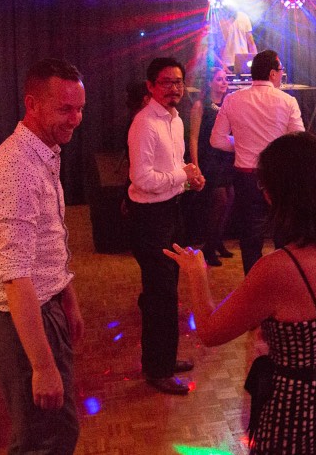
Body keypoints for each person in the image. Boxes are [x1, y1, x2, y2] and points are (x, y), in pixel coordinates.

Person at [165, 132, 316, 454]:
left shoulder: (278, 268)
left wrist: (196, 273)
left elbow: (209, 331)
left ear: (281, 196)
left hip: (299, 419)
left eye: (265, 186)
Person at [0, 59, 85, 455]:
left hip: (41, 306)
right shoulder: (16, 170)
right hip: (19, 316)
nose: (75, 119)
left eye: (80, 109)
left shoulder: (42, 153)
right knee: (43, 440)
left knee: (54, 432)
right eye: (65, 109)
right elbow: (16, 276)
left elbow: (47, 244)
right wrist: (42, 366)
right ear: (32, 104)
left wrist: (67, 298)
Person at [126, 57, 205, 395]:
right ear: (150, 86)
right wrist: (180, 175)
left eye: (178, 82)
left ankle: (164, 359)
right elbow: (141, 179)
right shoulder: (144, 123)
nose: (174, 88)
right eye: (166, 82)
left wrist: (190, 179)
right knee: (160, 296)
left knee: (168, 291)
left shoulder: (174, 120)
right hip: (149, 218)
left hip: (172, 211)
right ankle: (157, 370)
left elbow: (173, 167)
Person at [210, 49, 304, 274]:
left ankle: (254, 287)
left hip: (246, 177)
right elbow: (298, 141)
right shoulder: (288, 101)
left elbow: (216, 140)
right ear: (272, 73)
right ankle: (284, 284)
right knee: (284, 237)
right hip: (279, 176)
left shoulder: (233, 99)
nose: (282, 75)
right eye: (281, 70)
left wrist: (242, 142)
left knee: (250, 238)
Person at [189, 67, 236, 266]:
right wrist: (195, 164)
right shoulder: (200, 105)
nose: (224, 82)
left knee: (229, 200)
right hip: (209, 159)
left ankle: (217, 242)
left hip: (225, 158)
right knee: (219, 200)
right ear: (209, 83)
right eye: (219, 79)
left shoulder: (228, 104)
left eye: (225, 79)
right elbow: (193, 137)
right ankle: (208, 248)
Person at [207, 0, 257, 72]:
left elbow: (251, 44)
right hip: (225, 65)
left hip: (243, 64)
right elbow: (210, 48)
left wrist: (255, 64)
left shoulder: (243, 17)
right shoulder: (216, 19)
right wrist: (221, 65)